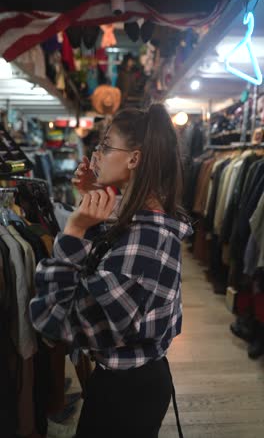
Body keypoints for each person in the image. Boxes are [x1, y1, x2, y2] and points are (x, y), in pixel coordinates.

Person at [30, 104, 192, 438]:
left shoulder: (145, 238)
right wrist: (92, 198)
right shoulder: (142, 222)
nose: (96, 155)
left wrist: (74, 231)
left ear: (134, 159)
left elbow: (57, 321)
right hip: (131, 382)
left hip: (127, 393)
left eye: (105, 145)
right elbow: (98, 274)